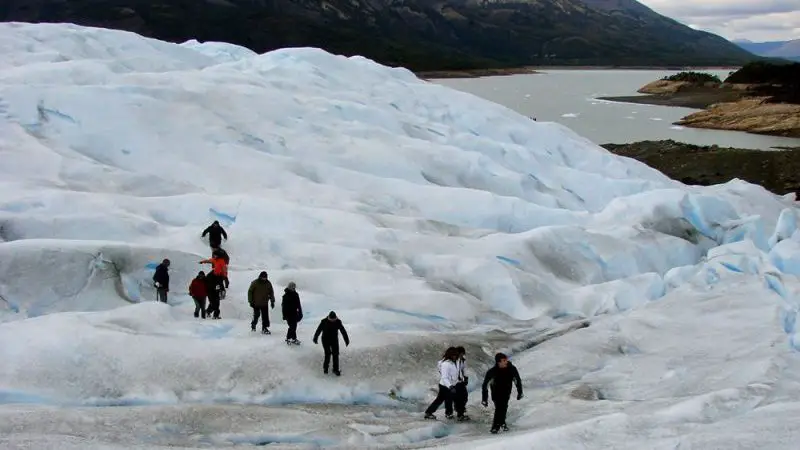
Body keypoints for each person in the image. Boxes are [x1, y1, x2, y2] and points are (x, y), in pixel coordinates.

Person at [481, 352, 523, 434]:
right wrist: (484, 399)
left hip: (506, 392)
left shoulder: (511, 369)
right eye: (503, 360)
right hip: (496, 393)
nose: (506, 362)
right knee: (500, 407)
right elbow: (485, 386)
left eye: (506, 360)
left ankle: (502, 423)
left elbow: (517, 380)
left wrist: (520, 392)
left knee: (503, 407)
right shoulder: (492, 372)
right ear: (498, 362)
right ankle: (495, 427)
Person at [424, 347, 460, 420]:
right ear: (450, 355)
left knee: (442, 399)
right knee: (447, 399)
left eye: (456, 355)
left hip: (449, 384)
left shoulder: (454, 362)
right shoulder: (446, 364)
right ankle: (448, 414)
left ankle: (429, 412)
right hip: (445, 385)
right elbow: (444, 377)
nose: (455, 357)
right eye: (453, 355)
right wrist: (450, 386)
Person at [312, 311, 350, 376]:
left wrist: (346, 340)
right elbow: (318, 330)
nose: (333, 321)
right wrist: (315, 338)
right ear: (329, 318)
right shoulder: (324, 321)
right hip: (325, 340)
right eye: (332, 320)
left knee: (336, 354)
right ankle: (325, 368)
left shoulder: (338, 322)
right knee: (328, 354)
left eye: (334, 320)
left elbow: (343, 331)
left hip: (334, 340)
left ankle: (335, 369)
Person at [199, 250, 228, 319]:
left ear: (218, 255)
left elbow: (224, 270)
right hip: (211, 284)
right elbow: (209, 260)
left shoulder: (221, 261)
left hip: (218, 279)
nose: (214, 256)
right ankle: (209, 312)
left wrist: (224, 276)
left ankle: (214, 314)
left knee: (216, 300)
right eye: (214, 255)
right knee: (213, 300)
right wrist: (202, 262)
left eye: (215, 255)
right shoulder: (215, 260)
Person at [454, 346, 470, 421]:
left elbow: (463, 369)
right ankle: (460, 414)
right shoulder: (453, 361)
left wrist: (466, 378)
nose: (462, 355)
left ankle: (460, 410)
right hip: (455, 383)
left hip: (461, 382)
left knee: (464, 397)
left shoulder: (462, 360)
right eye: (462, 353)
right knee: (459, 398)